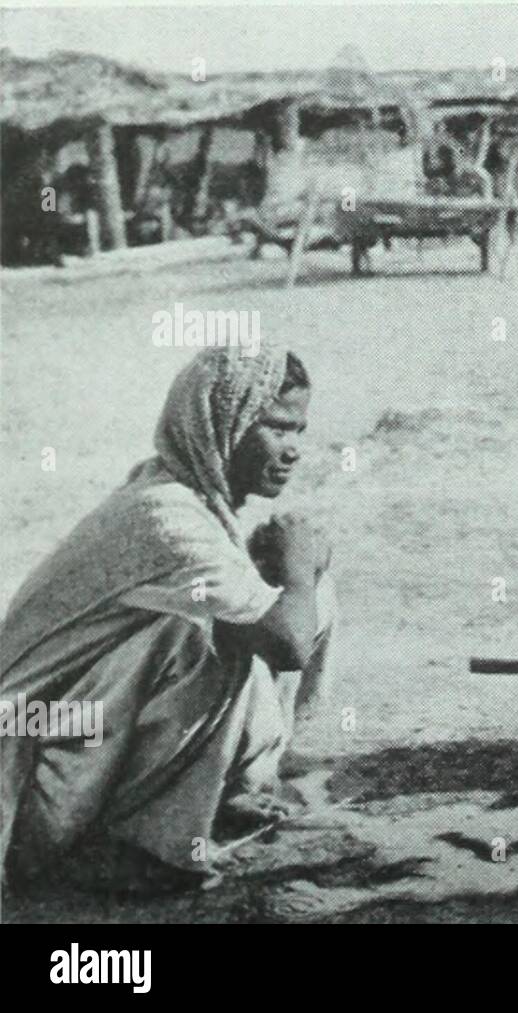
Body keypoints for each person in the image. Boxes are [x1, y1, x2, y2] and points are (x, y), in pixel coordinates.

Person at [0, 343, 335, 893]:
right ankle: (134, 845)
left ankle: (232, 788)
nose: (294, 449)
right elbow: (288, 646)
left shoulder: (192, 498)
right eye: (276, 428)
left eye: (299, 430)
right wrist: (299, 570)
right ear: (221, 424)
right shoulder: (166, 516)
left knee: (280, 589)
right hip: (33, 767)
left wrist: (298, 572)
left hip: (77, 741)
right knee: (203, 637)